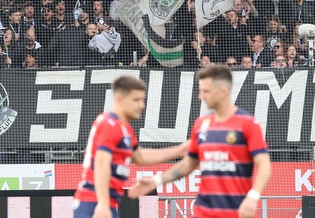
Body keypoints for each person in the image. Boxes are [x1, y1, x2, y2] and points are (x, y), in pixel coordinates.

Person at [129, 65, 271, 218]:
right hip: (203, 211)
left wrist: (253, 196)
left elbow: (264, 166)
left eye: (206, 91)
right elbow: (188, 164)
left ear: (223, 92)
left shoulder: (248, 124)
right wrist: (155, 181)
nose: (200, 96)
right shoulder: (201, 124)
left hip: (236, 212)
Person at [74, 76, 188, 218]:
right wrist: (102, 203)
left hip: (105, 201)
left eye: (142, 100)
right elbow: (101, 163)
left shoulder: (123, 128)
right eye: (136, 100)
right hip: (94, 201)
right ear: (119, 99)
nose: (142, 105)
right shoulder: (110, 125)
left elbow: (140, 156)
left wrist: (179, 150)